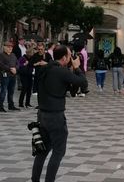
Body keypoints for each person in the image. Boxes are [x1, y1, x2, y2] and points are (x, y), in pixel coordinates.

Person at [31, 44, 88, 182]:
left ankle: (35, 180)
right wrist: (77, 67)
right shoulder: (61, 71)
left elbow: (70, 89)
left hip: (42, 114)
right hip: (55, 116)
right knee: (58, 151)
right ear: (64, 58)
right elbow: (83, 83)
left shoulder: (46, 68)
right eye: (69, 56)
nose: (71, 58)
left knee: (42, 151)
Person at [0, 41, 19, 112]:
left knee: (11, 91)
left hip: (13, 75)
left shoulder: (13, 55)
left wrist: (16, 68)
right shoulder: (1, 55)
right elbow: (1, 65)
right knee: (4, 90)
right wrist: (10, 69)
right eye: (8, 47)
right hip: (5, 75)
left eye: (11, 47)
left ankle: (11, 105)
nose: (10, 48)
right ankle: (1, 106)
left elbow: (17, 63)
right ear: (4, 47)